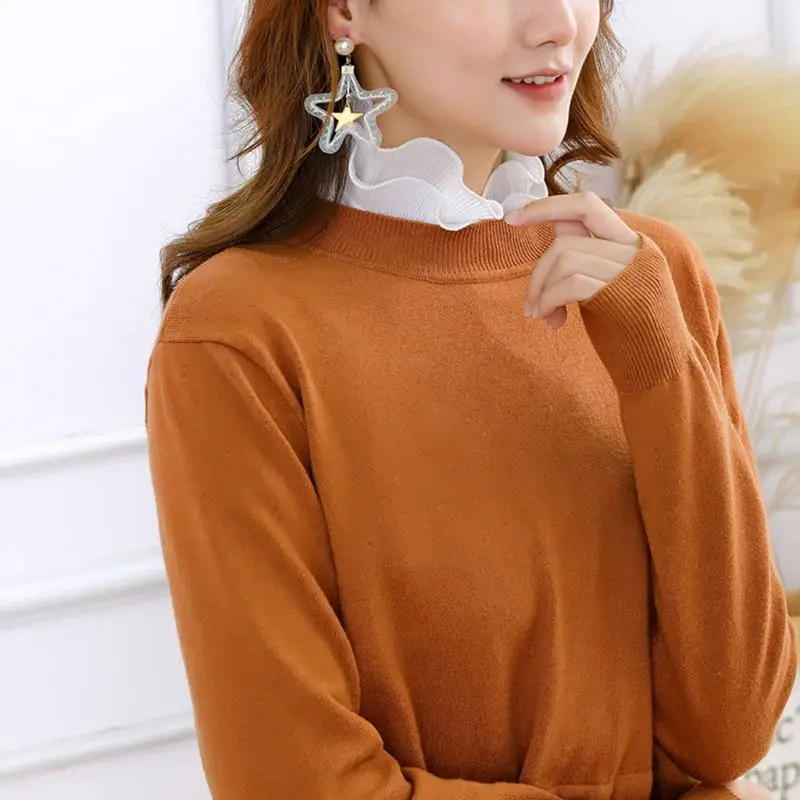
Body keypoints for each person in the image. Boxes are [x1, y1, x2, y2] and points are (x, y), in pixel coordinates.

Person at [143, 1, 797, 798]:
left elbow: (730, 731)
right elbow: (296, 783)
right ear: (344, 11)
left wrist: (658, 361)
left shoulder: (649, 275)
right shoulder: (237, 330)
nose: (557, 23)